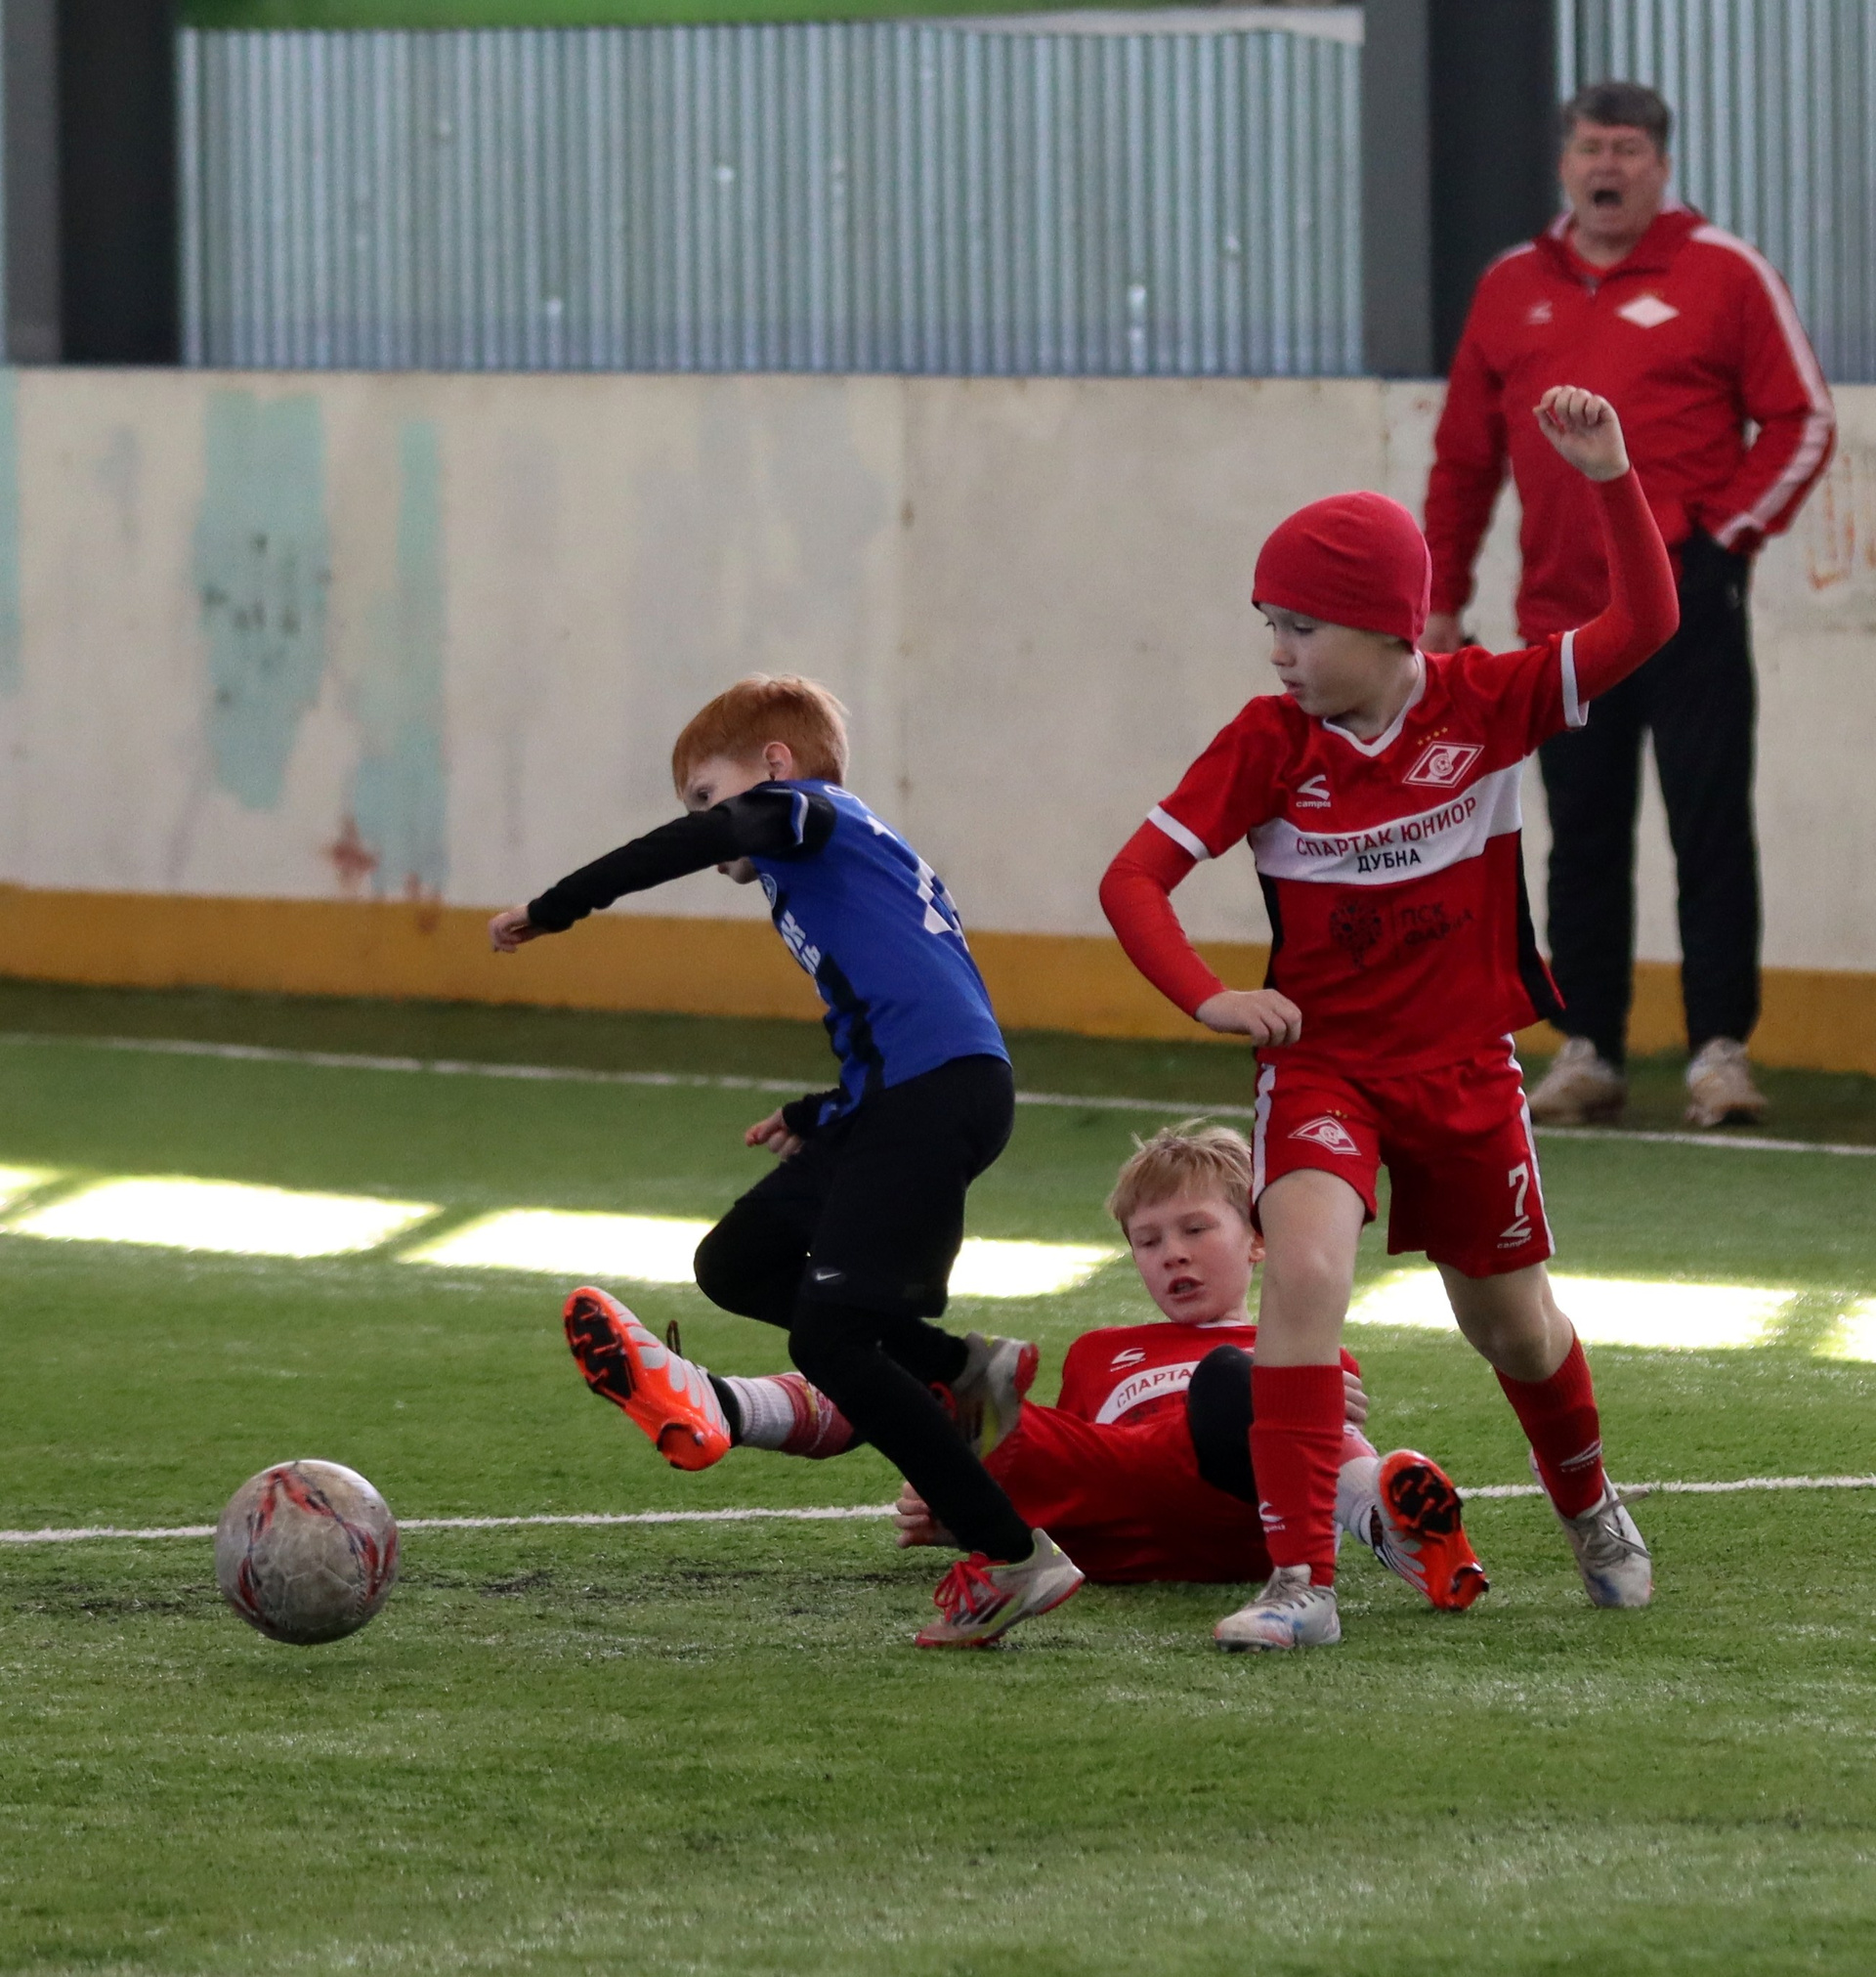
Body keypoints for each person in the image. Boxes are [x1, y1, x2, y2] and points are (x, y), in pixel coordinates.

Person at [1099, 386, 1676, 1651]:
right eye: (1268, 623)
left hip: (1465, 1070)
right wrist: (1208, 994)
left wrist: (1609, 475)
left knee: (1512, 1326)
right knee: (1304, 1273)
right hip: (1326, 1069)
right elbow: (1132, 880)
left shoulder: (1490, 701)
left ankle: (1590, 1505)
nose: (1278, 650)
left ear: (1384, 625)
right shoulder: (1268, 742)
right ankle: (1301, 1580)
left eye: (1300, 626)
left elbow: (1647, 621)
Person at [489, 673, 1083, 1649]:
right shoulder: (838, 850)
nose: (707, 822)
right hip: (908, 1093)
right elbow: (905, 995)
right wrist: (821, 1113)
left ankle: (1014, 1554)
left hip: (929, 1098)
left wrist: (558, 906)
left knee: (830, 1342)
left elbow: (702, 843)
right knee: (737, 1260)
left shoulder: (805, 812)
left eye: (708, 795)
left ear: (774, 766)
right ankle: (962, 1367)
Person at [565, 1123, 1488, 1614]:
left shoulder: (1295, 1336)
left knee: (1236, 1381)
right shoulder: (1100, 1351)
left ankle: (1400, 1531)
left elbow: (1301, 1437)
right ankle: (714, 1405)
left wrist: (1308, 1391)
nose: (1170, 1252)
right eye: (1148, 1239)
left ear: (1257, 1239)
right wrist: (956, 1496)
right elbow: (1069, 1459)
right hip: (1110, 1517)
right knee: (936, 1383)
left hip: (1244, 1514)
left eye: (1195, 1228)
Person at [1424, 80, 1835, 1131]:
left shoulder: (1725, 272)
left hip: (1690, 605)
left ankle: (1719, 1053)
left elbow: (1803, 420)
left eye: (1628, 150)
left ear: (1662, 165)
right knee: (1581, 836)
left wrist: (1722, 540)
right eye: (1591, 148)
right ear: (1564, 163)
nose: (1607, 166)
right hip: (1563, 619)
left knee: (1710, 827)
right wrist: (1439, 599)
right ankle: (1589, 1049)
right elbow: (1464, 458)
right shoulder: (1510, 286)